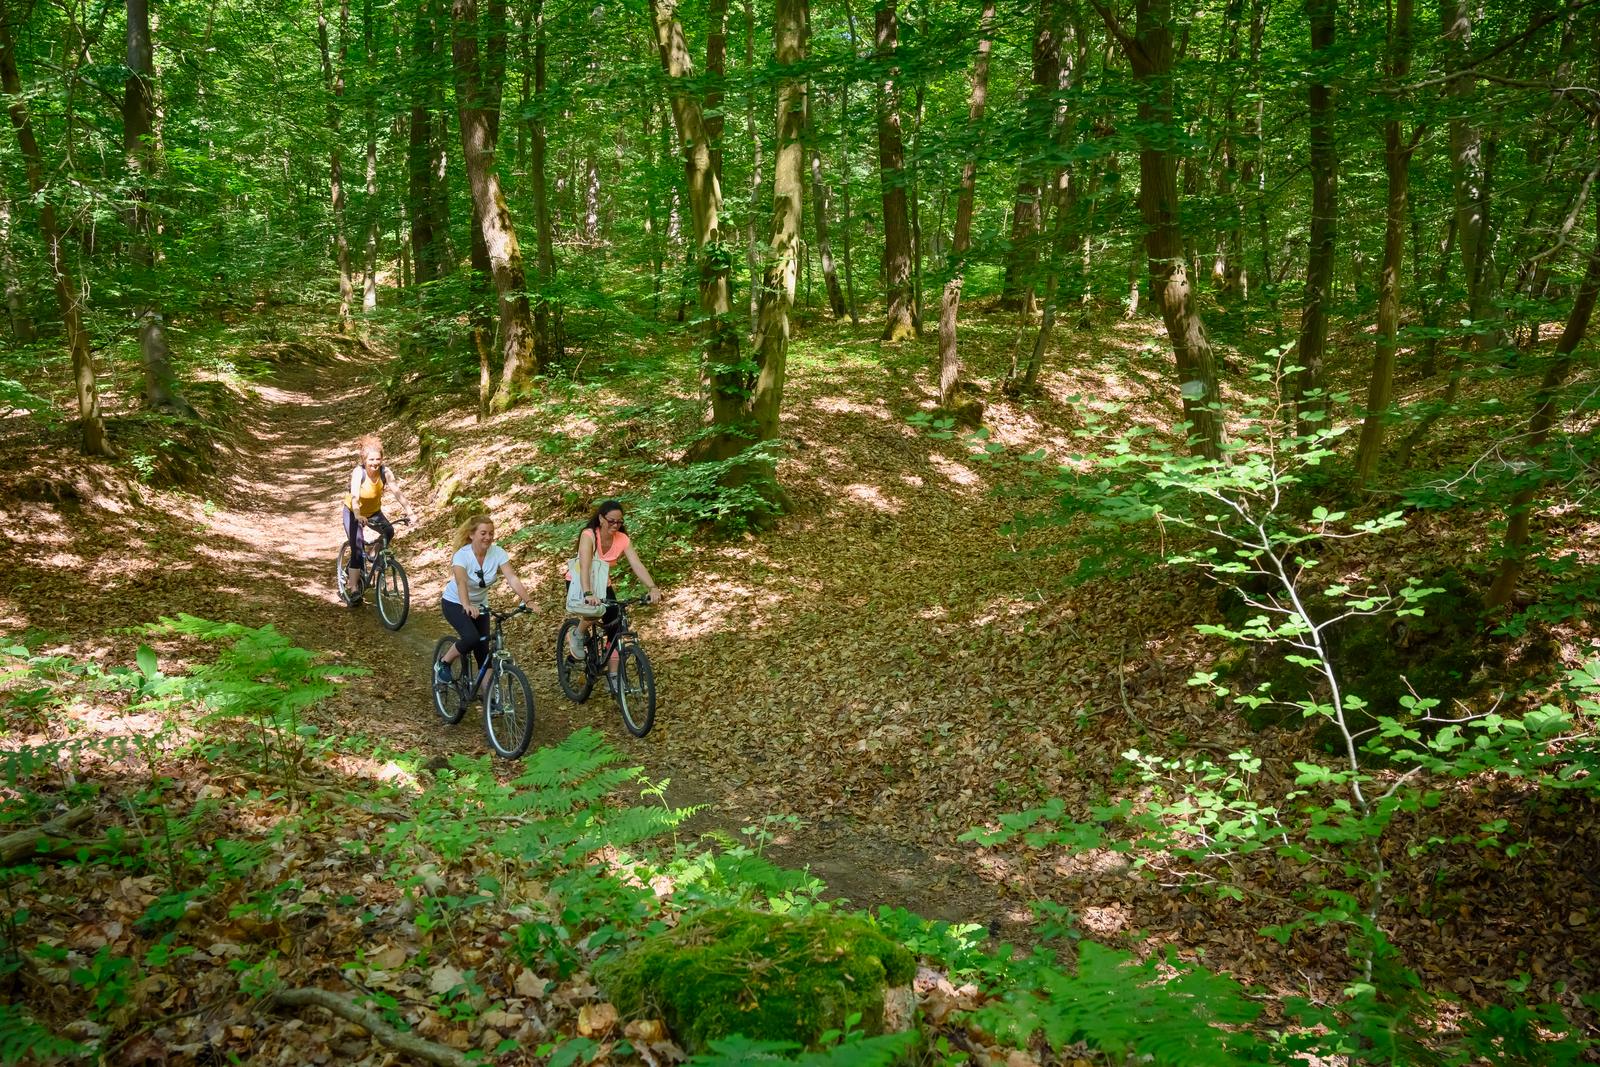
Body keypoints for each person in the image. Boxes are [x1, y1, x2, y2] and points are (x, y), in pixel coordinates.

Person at [566, 500, 661, 688]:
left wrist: (652, 587)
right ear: (601, 518)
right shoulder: (589, 535)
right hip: (579, 581)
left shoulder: (622, 539)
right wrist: (587, 592)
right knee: (594, 612)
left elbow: (636, 563)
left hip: (603, 584)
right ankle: (577, 634)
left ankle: (614, 677)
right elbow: (585, 566)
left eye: (619, 522)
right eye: (611, 521)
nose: (615, 526)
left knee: (615, 628)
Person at [436, 514, 534, 696]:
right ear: (472, 534)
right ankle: (444, 662)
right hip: (455, 602)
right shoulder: (462, 556)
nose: (488, 537)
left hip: (481, 606)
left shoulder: (498, 553)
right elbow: (461, 582)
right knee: (471, 638)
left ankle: (490, 697)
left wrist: (528, 600)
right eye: (483, 533)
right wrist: (466, 604)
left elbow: (512, 578)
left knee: (483, 651)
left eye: (491, 533)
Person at [341, 435, 414, 592]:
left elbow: (398, 493)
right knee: (357, 546)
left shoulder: (385, 472)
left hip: (374, 512)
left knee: (389, 531)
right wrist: (358, 515)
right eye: (371, 460)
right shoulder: (358, 473)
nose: (375, 463)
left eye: (378, 459)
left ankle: (373, 553)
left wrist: (410, 512)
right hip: (353, 512)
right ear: (364, 460)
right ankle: (353, 586)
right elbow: (354, 497)